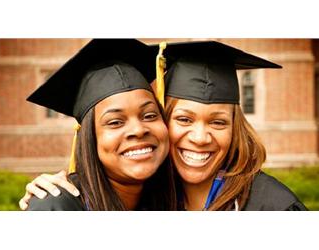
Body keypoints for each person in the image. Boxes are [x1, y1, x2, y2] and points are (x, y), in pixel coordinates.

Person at [20, 40, 307, 211]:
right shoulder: (154, 193)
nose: (199, 136)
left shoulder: (272, 207)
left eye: (218, 122)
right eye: (183, 119)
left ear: (236, 129)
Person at [22, 38, 176, 211]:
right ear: (90, 137)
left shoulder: (172, 199)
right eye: (115, 122)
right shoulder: (57, 206)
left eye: (149, 115)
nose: (138, 130)